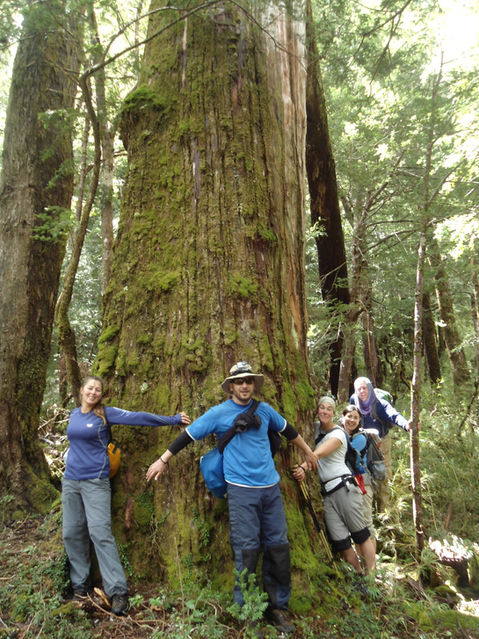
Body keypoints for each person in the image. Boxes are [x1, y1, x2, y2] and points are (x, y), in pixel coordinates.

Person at [146, 361, 317, 635]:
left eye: (249, 381)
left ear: (253, 384)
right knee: (247, 549)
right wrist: (163, 459)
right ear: (231, 387)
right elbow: (189, 435)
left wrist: (309, 452)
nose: (245, 385)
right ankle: (249, 611)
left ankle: (277, 607)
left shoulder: (264, 410)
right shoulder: (218, 413)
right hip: (240, 490)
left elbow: (289, 431)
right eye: (239, 382)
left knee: (278, 547)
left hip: (271, 488)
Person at [62, 375, 191, 615]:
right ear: (81, 390)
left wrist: (171, 420)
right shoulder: (73, 414)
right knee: (71, 532)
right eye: (90, 388)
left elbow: (137, 417)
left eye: (98, 390)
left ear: (101, 394)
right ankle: (80, 585)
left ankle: (117, 591)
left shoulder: (105, 414)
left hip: (95, 481)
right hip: (70, 481)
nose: (93, 392)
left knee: (99, 533)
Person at [293, 396, 376, 576]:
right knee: (341, 542)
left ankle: (371, 578)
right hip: (327, 495)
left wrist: (303, 468)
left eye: (329, 409)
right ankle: (359, 575)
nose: (324, 412)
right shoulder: (314, 428)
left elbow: (319, 454)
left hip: (343, 487)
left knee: (360, 534)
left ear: (334, 413)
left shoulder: (339, 434)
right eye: (321, 408)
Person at [350, 377, 411, 510]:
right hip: (363, 442)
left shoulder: (379, 403)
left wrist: (406, 424)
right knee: (365, 473)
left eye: (364, 388)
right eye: (359, 389)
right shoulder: (354, 401)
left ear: (370, 388)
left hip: (381, 442)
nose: (362, 392)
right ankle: (369, 508)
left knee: (382, 475)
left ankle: (384, 512)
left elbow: (393, 415)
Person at [340, 405, 377, 554]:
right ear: (342, 417)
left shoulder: (360, 438)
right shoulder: (340, 434)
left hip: (363, 485)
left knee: (366, 524)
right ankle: (362, 565)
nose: (352, 420)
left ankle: (372, 569)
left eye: (355, 417)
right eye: (349, 416)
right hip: (349, 485)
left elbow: (343, 454)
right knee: (355, 526)